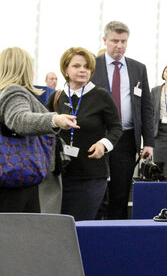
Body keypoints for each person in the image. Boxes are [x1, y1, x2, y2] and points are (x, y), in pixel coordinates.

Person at [0, 47, 77, 213]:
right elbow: (19, 120)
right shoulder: (15, 92)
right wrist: (54, 119)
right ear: (24, 68)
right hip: (19, 179)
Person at [50, 47, 122, 220]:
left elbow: (116, 128)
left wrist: (103, 144)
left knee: (81, 225)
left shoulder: (101, 96)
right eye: (76, 66)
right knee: (60, 226)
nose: (83, 70)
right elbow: (45, 127)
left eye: (86, 67)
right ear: (65, 69)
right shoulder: (56, 97)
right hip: (60, 176)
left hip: (91, 176)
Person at [92, 21, 155, 219]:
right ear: (105, 40)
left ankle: (116, 233)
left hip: (126, 139)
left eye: (123, 41)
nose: (119, 45)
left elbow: (146, 107)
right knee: (98, 192)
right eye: (114, 41)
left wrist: (149, 143)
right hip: (97, 138)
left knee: (121, 192)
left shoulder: (138, 68)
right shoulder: (92, 65)